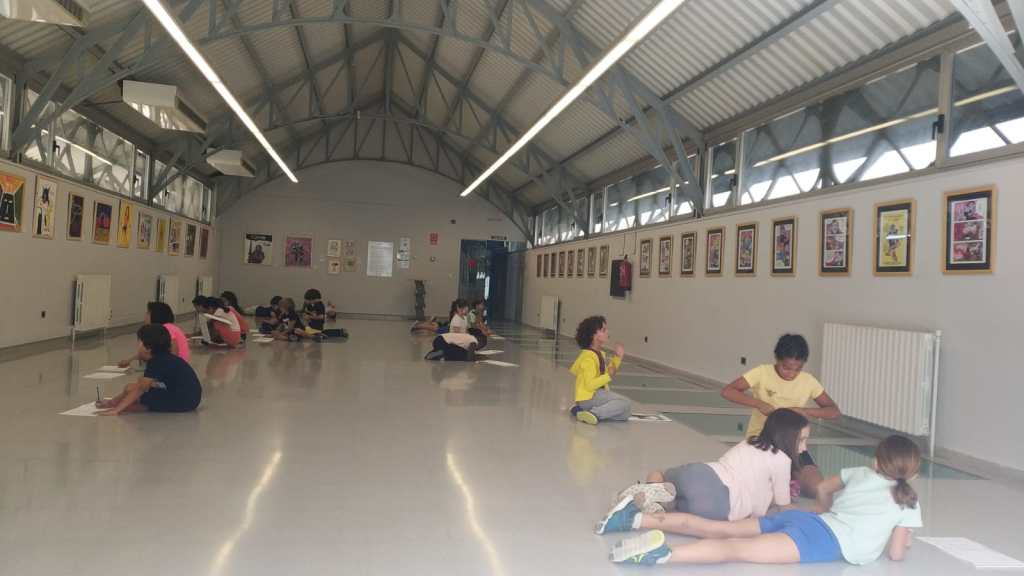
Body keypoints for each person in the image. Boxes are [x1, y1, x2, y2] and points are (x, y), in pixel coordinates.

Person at [605, 435, 922, 567]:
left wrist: (823, 510)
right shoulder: (908, 501)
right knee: (735, 550)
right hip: (820, 540)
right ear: (913, 472)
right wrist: (901, 537)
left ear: (877, 462)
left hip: (808, 519)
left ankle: (634, 518)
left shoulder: (861, 473)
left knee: (719, 529)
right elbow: (896, 554)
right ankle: (663, 555)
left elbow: (824, 488)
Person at [602, 409, 808, 521]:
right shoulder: (783, 460)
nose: (804, 447)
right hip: (720, 507)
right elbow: (784, 506)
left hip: (701, 473)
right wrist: (812, 511)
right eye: (801, 440)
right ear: (786, 438)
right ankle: (657, 508)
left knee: (660, 474)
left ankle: (649, 490)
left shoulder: (750, 442)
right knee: (677, 508)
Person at [720, 334, 840, 498]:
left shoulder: (809, 381)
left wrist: (805, 411)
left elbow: (833, 411)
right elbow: (727, 391)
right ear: (777, 359)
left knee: (817, 488)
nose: (791, 374)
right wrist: (759, 404)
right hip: (762, 443)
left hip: (793, 447)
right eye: (786, 368)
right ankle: (782, 478)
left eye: (798, 369)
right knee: (755, 490)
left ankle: (787, 477)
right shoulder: (762, 372)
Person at [96, 325, 202, 415]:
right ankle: (113, 403)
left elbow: (140, 389)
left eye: (139, 342)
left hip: (182, 401)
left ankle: (116, 406)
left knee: (135, 397)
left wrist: (116, 410)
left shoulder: (156, 362)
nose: (137, 345)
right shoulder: (165, 357)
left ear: (148, 348)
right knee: (130, 388)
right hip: (192, 398)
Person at [570, 316, 630, 424]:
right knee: (625, 403)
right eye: (603, 330)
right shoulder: (588, 358)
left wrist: (617, 358)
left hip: (595, 395)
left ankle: (580, 411)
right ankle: (594, 413)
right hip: (589, 397)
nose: (607, 332)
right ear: (593, 335)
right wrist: (608, 376)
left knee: (625, 414)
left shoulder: (598, 354)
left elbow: (607, 373)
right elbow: (590, 385)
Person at [118, 301, 190, 365]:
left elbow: (174, 352)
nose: (145, 315)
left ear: (155, 315)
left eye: (148, 313)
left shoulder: (167, 328)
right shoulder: (159, 330)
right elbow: (146, 351)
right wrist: (129, 360)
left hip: (176, 367)